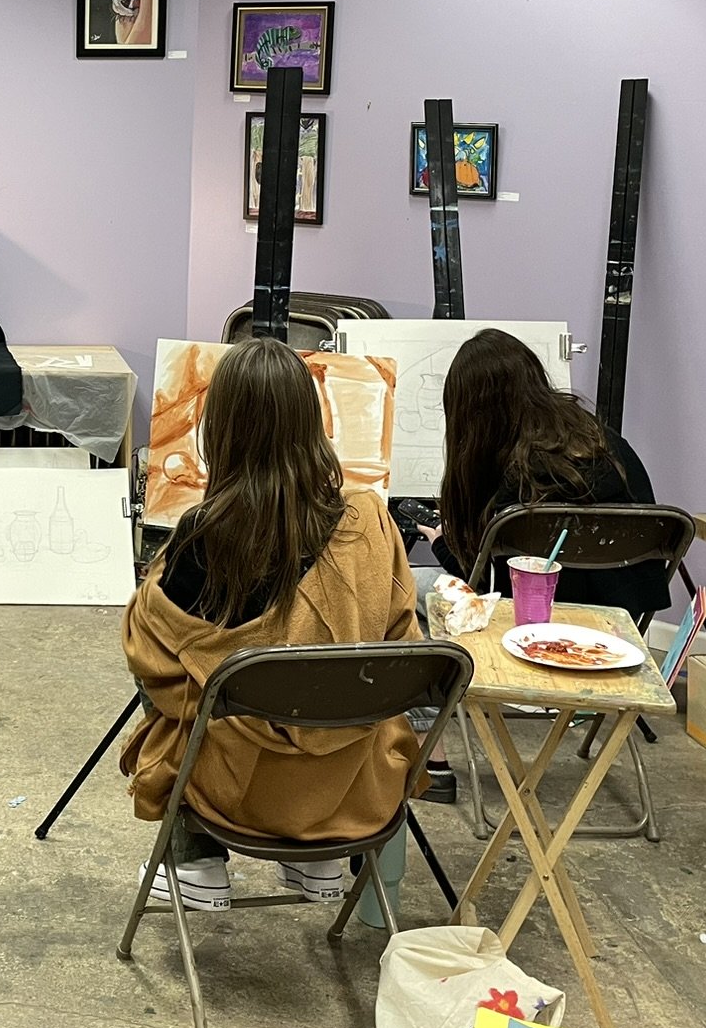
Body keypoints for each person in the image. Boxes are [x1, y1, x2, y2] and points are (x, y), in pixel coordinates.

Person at [121, 337, 421, 911]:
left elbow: (149, 652)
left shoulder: (207, 536)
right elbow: (401, 642)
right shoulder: (370, 520)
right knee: (326, 679)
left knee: (170, 669)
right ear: (312, 421)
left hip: (243, 795)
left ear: (222, 428)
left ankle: (198, 861)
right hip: (360, 786)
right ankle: (321, 858)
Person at [424, 328, 666, 618]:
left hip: (538, 620)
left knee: (413, 586)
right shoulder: (603, 438)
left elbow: (492, 587)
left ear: (471, 417)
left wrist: (441, 544)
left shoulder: (518, 483)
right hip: (619, 618)